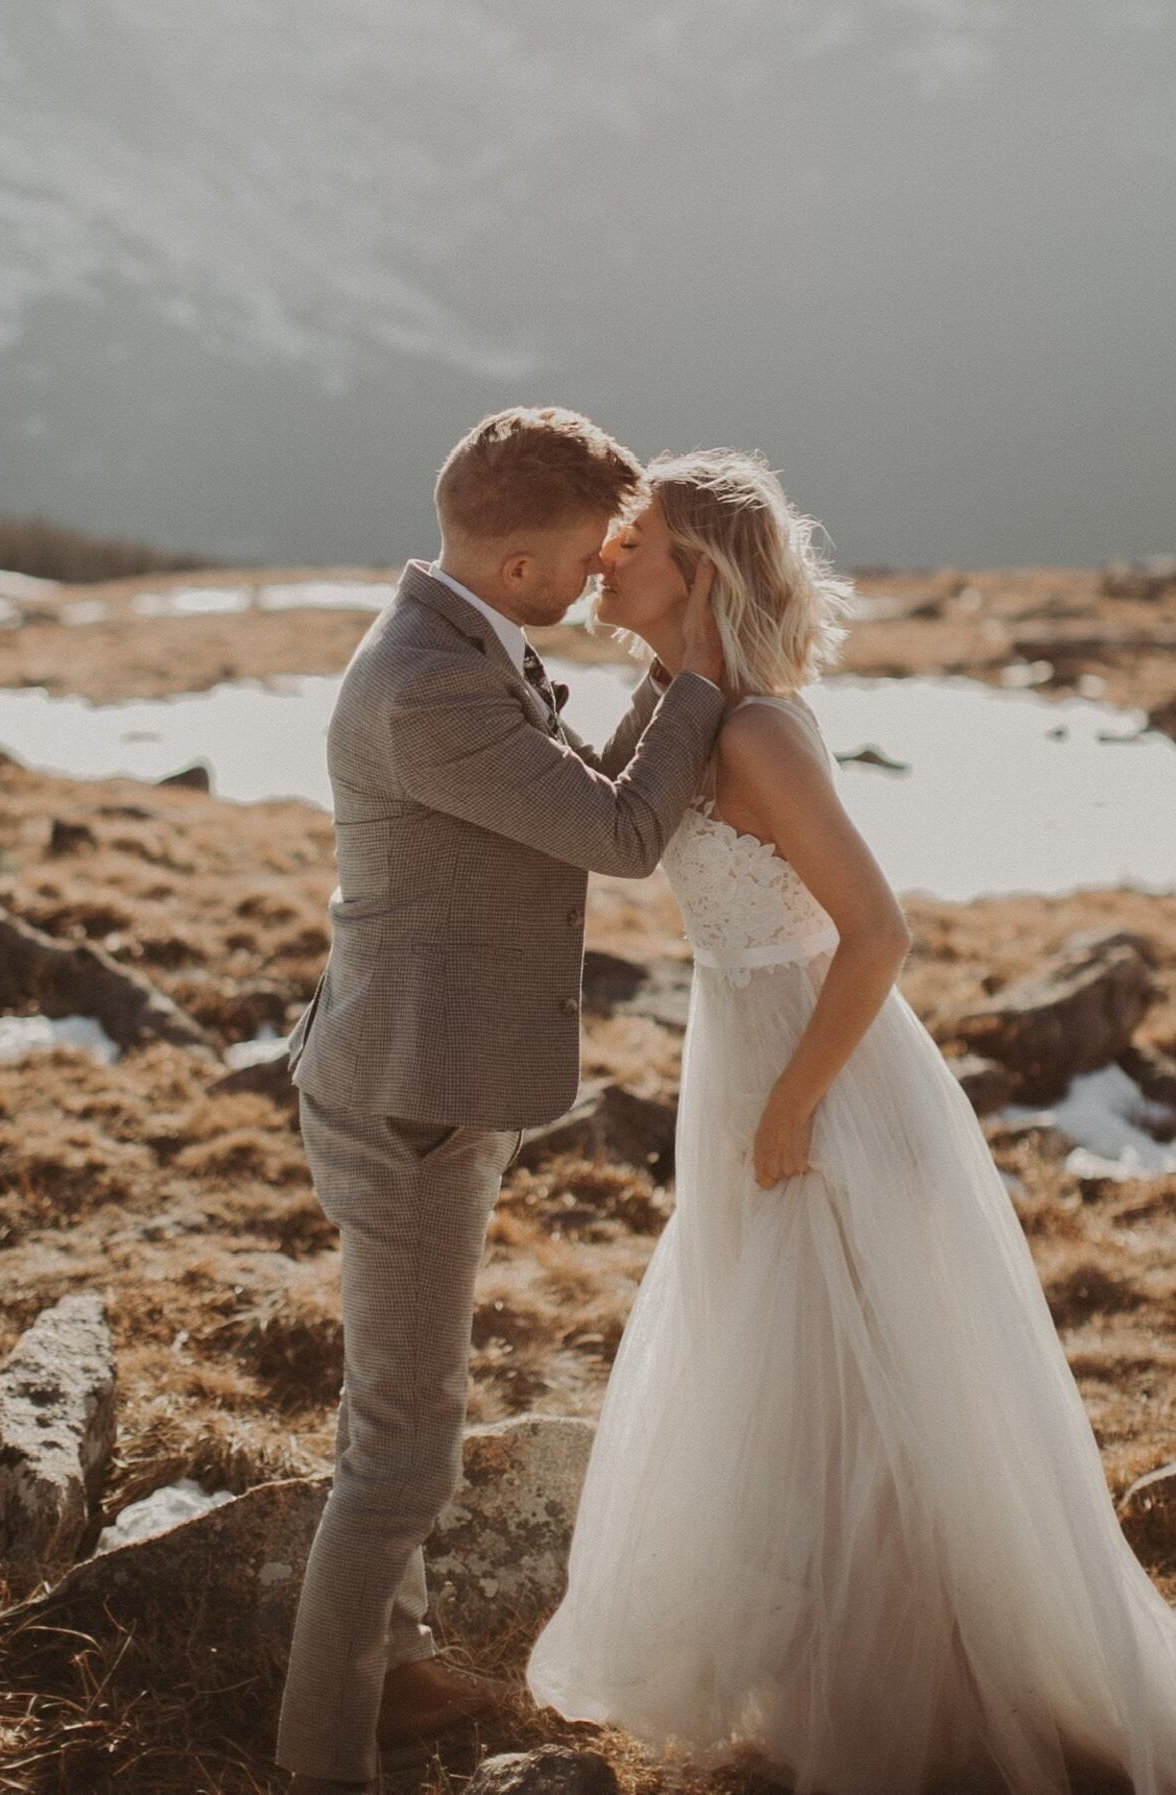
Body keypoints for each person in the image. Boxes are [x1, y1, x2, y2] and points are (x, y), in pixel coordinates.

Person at [527, 449, 1176, 1795]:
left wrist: (791, 1108)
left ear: (696, 569)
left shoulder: (758, 733)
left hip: (827, 1084)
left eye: (633, 539)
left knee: (880, 1399)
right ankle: (837, 1675)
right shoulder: (675, 708)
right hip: (749, 1063)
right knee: (795, 1393)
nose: (605, 555)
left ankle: (935, 1704)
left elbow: (880, 934)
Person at [276, 406, 727, 1793]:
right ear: (522, 567)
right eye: (593, 558)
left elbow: (575, 788)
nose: (604, 578)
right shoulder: (432, 684)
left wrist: (665, 678)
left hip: (416, 1073)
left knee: (398, 1412)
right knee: (404, 1453)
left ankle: (396, 1669)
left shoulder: (461, 641)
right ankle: (322, 1759)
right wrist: (699, 668)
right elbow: (619, 831)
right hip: (411, 1098)